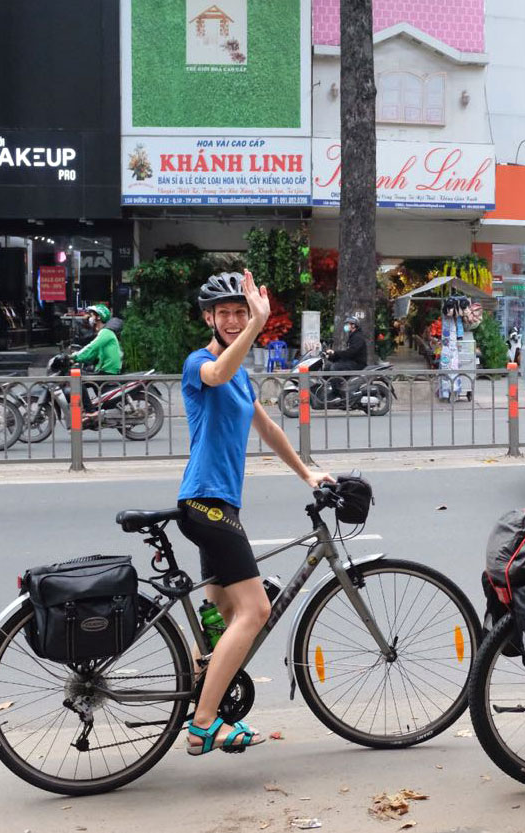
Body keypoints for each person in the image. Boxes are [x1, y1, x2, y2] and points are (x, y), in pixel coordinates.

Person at [177, 270, 333, 756]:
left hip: (221, 506)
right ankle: (203, 726)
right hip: (204, 503)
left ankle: (211, 710)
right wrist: (258, 324)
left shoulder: (242, 376)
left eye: (239, 311)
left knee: (224, 619)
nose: (231, 319)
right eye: (223, 312)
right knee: (257, 609)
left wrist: (308, 475)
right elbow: (218, 373)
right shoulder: (199, 364)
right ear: (208, 318)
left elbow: (268, 431)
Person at [70, 304, 123, 422]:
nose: (90, 317)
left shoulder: (106, 333)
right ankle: (90, 409)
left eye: (92, 315)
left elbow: (91, 348)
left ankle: (90, 411)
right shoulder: (103, 333)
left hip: (108, 371)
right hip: (104, 369)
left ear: (99, 317)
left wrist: (74, 357)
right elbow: (92, 354)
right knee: (83, 376)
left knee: (79, 381)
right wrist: (79, 358)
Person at [325, 314, 367, 397]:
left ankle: (336, 393)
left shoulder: (358, 337)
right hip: (351, 361)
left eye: (348, 324)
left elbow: (351, 353)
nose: (346, 326)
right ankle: (331, 388)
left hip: (357, 363)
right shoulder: (353, 336)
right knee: (327, 367)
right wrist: (331, 356)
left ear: (353, 325)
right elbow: (346, 353)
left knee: (335, 367)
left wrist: (335, 353)